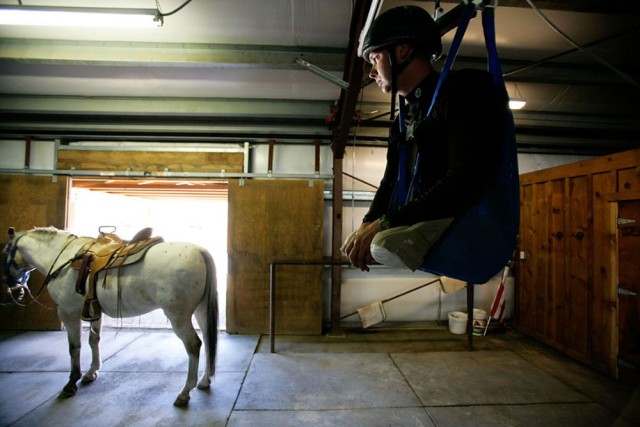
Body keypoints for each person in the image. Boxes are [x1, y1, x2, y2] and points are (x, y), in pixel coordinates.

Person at [343, 5, 508, 272]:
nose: (371, 73)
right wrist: (368, 221)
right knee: (354, 242)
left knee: (382, 242)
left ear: (402, 50)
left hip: (466, 216)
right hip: (428, 213)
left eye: (375, 59)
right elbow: (390, 181)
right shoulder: (404, 117)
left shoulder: (463, 90)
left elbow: (466, 179)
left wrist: (384, 224)